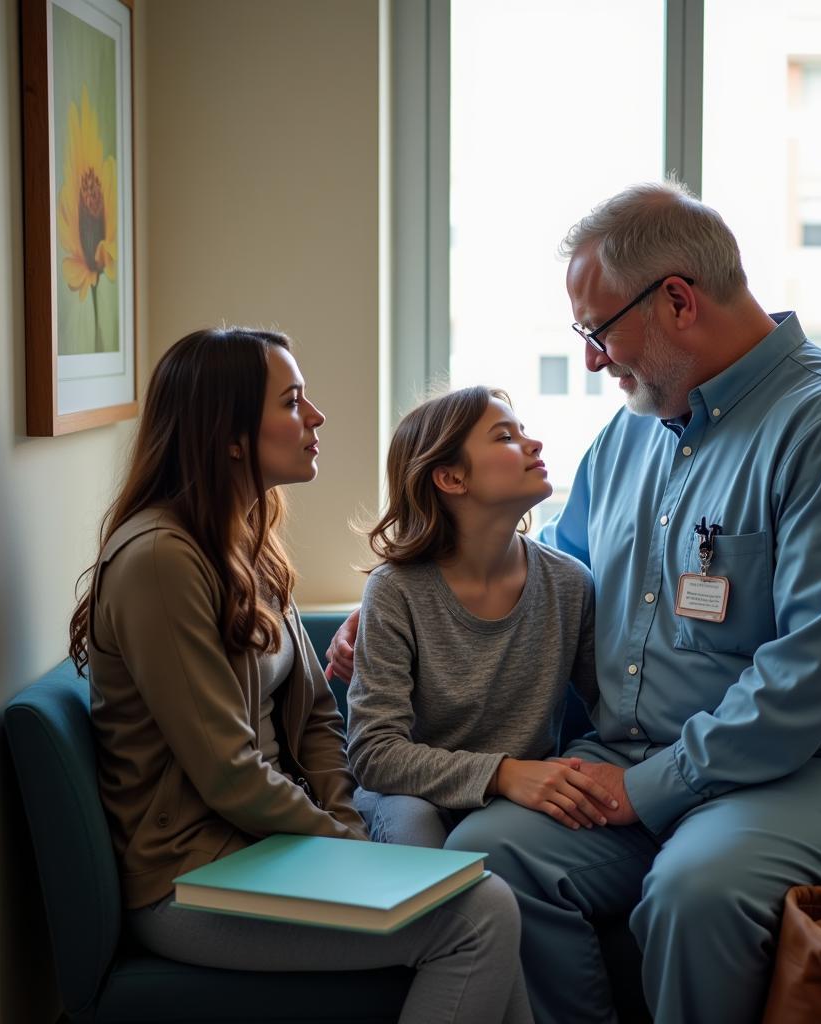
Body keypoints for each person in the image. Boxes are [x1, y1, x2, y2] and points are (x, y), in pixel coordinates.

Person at [327, 181, 821, 1024]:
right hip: (639, 761)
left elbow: (820, 673)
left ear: (676, 300)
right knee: (492, 854)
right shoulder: (631, 435)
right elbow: (552, 571)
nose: (593, 360)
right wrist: (404, 598)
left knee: (695, 892)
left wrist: (653, 788)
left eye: (598, 333)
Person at [68, 327, 533, 1024]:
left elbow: (317, 715)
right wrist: (347, 849)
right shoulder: (161, 561)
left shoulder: (247, 537)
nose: (314, 418)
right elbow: (228, 771)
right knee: (480, 913)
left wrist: (346, 824)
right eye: (291, 402)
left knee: (459, 866)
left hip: (269, 844)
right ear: (228, 434)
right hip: (192, 878)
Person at [346, 387, 610, 849]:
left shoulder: (570, 583)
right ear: (450, 478)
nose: (534, 444)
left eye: (523, 431)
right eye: (506, 436)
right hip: (410, 795)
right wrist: (503, 774)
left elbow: (609, 713)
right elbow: (374, 754)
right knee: (416, 831)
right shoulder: (395, 588)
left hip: (517, 801)